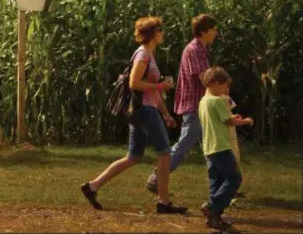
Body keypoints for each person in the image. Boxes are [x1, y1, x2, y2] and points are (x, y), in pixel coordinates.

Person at [80, 16, 187, 214]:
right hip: (144, 110)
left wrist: (165, 113)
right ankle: (163, 202)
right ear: (154, 34)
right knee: (164, 154)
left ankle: (92, 187)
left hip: (143, 110)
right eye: (160, 31)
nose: (163, 34)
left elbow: (151, 91)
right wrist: (160, 85)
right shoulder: (143, 55)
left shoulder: (148, 54)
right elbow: (134, 83)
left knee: (133, 157)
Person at [146, 14, 218, 193]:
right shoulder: (194, 49)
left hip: (200, 104)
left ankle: (221, 183)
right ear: (203, 31)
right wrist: (222, 93)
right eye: (214, 29)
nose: (216, 32)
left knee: (212, 145)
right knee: (186, 143)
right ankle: (156, 177)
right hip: (194, 104)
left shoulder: (200, 49)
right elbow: (204, 79)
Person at [197, 66, 252, 230]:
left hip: (209, 148)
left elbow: (219, 118)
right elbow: (229, 122)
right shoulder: (218, 100)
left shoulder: (203, 101)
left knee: (217, 182)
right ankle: (212, 207)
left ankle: (214, 219)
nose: (225, 90)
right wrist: (245, 121)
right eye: (223, 86)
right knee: (234, 178)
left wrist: (230, 117)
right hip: (221, 146)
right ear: (213, 83)